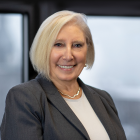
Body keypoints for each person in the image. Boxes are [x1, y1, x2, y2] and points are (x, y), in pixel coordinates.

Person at [0, 10, 126, 140]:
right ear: (44, 49)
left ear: (87, 49)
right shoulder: (24, 98)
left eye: (77, 45)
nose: (68, 56)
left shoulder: (103, 99)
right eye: (58, 44)